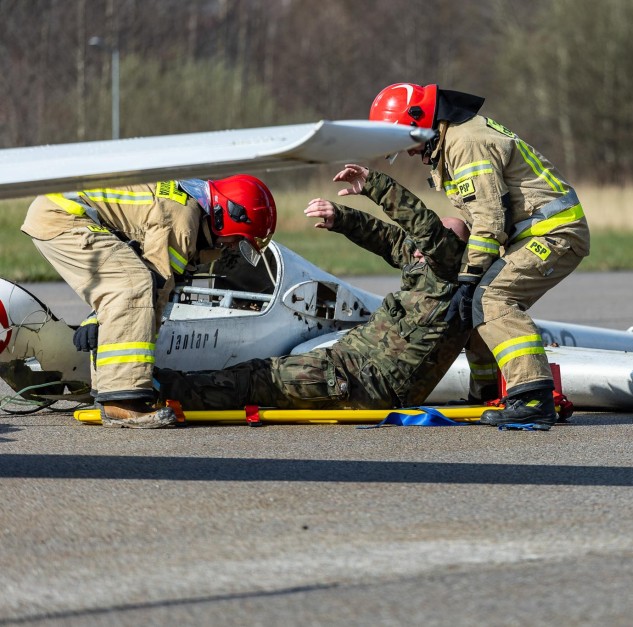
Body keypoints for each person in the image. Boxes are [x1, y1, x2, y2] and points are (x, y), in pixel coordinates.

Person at [153, 164, 471, 413]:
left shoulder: (445, 270)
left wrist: (376, 184)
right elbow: (389, 239)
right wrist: (340, 217)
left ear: (446, 249)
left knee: (256, 379)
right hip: (352, 363)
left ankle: (159, 390)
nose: (415, 248)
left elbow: (425, 229)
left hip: (362, 380)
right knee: (256, 374)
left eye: (426, 244)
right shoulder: (428, 265)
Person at [369, 83, 590, 430]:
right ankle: (487, 392)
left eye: (405, 140)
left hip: (555, 233)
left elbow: (490, 220)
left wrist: (470, 277)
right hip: (527, 233)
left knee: (492, 299)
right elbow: (482, 217)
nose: (408, 152)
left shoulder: (465, 142)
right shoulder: (453, 140)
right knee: (469, 302)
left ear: (420, 120)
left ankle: (533, 398)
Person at [21, 175, 277, 428]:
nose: (233, 248)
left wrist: (101, 318)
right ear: (227, 215)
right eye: (238, 240)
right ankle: (121, 401)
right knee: (134, 283)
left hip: (62, 211)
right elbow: (155, 289)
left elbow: (131, 279)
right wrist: (139, 373)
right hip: (62, 215)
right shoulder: (182, 220)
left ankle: (110, 392)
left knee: (132, 284)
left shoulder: (189, 210)